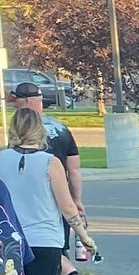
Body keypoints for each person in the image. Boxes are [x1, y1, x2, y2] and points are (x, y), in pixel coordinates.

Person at [0, 106, 93, 275]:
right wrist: (85, 237)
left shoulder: (0, 158)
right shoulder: (50, 163)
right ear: (39, 130)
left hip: (10, 237)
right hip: (44, 239)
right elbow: (67, 208)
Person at [10, 79, 85, 215]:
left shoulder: (19, 129)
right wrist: (76, 200)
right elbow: (73, 169)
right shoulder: (61, 128)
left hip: (30, 198)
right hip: (60, 195)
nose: (14, 106)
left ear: (26, 102)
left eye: (16, 102)